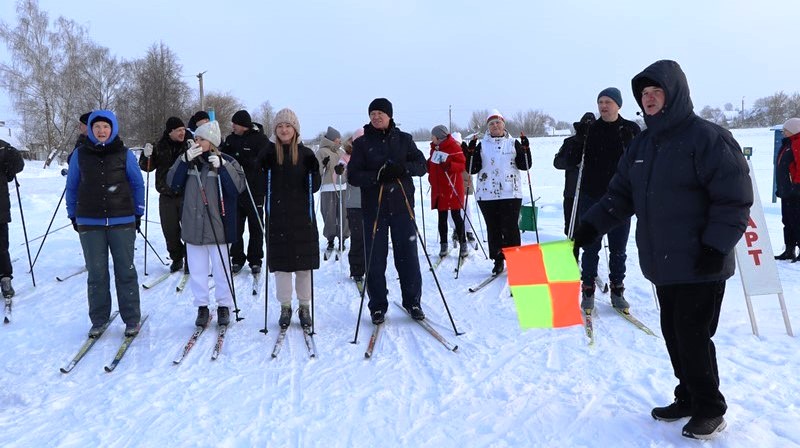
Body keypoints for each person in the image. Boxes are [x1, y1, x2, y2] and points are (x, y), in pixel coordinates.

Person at [572, 60, 753, 440]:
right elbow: (620, 196)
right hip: (664, 261)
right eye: (644, 94)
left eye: (657, 92)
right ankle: (687, 396)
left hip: (702, 260)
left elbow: (733, 199)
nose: (649, 99)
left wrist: (715, 246)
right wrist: (590, 226)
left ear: (675, 94)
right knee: (673, 331)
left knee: (692, 333)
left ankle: (710, 408)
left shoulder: (708, 138)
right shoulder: (642, 144)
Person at [66, 110, 145, 337]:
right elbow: (71, 186)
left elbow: (137, 184)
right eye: (97, 127)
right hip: (89, 222)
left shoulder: (124, 153)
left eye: (106, 127)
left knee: (126, 271)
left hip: (122, 220)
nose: (102, 131)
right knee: (96, 274)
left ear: (113, 129)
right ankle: (99, 319)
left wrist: (138, 212)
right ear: (91, 129)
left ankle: (131, 318)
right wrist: (73, 215)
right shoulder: (80, 154)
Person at [348, 98, 427, 324]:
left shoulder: (404, 139)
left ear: (389, 115)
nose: (376, 117)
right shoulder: (362, 144)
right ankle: (377, 306)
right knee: (375, 259)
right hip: (374, 210)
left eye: (380, 113)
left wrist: (403, 168)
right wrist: (377, 176)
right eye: (372, 114)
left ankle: (413, 302)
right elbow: (353, 176)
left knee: (408, 256)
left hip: (402, 208)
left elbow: (422, 166)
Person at [167, 120, 245, 327]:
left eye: (201, 139)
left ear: (212, 142)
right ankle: (202, 306)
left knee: (222, 270)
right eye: (196, 138)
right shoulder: (188, 160)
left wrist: (223, 168)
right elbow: (172, 183)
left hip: (219, 228)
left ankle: (224, 306)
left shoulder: (228, 161)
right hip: (193, 227)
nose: (196, 142)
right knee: (197, 271)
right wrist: (183, 161)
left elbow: (237, 188)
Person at [575, 88, 640, 312]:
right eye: (600, 102)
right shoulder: (591, 129)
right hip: (592, 196)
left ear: (618, 105)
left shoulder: (629, 128)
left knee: (618, 248)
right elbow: (569, 160)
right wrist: (578, 138)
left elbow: (640, 161)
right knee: (590, 247)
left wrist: (630, 143)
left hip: (620, 198)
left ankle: (617, 290)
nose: (603, 106)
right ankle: (588, 290)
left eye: (608, 102)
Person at [259, 108, 321, 329]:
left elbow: (314, 186)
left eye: (288, 126)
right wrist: (261, 166)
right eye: (280, 126)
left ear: (295, 129)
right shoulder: (268, 153)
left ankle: (304, 306)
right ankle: (285, 306)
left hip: (302, 218)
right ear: (275, 130)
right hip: (277, 218)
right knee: (282, 267)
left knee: (304, 266)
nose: (284, 130)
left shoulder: (306, 154)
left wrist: (315, 172)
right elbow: (258, 184)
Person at [463, 109, 532, 275]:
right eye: (491, 124)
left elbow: (525, 165)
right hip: (487, 193)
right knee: (493, 227)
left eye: (498, 123)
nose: (495, 126)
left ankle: (515, 260)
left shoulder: (513, 143)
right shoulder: (482, 145)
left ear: (503, 124)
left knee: (511, 227)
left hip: (511, 192)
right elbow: (472, 169)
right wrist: (470, 153)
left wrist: (526, 149)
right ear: (488, 128)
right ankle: (498, 259)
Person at [219, 109, 269, 274]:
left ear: (243, 125)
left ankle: (255, 259)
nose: (232, 126)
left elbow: (264, 160)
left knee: (256, 226)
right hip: (235, 191)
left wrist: (247, 161)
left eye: (235, 123)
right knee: (235, 227)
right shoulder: (230, 139)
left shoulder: (260, 139)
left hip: (254, 190)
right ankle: (237, 258)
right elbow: (224, 157)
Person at [139, 116, 190, 273]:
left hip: (186, 193)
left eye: (183, 129)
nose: (182, 132)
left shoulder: (189, 145)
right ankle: (176, 258)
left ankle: (191, 258)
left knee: (189, 229)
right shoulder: (159, 146)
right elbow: (147, 167)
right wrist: (146, 156)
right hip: (166, 194)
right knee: (170, 230)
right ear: (170, 131)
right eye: (179, 130)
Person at [553, 112, 595, 260]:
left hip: (592, 192)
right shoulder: (570, 142)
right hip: (572, 192)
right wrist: (573, 162)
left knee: (591, 228)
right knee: (571, 228)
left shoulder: (599, 142)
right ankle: (573, 258)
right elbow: (557, 162)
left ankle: (590, 263)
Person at [428, 125, 467, 258]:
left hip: (452, 187)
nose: (431, 138)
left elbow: (462, 164)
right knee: (442, 217)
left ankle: (463, 244)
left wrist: (450, 165)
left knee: (456, 216)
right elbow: (432, 165)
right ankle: (443, 245)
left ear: (439, 137)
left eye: (433, 136)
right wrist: (426, 166)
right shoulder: (434, 149)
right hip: (439, 188)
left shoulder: (454, 147)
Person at [316, 126, 349, 254]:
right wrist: (323, 164)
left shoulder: (341, 152)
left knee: (343, 214)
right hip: (328, 188)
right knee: (329, 214)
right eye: (337, 139)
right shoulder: (321, 152)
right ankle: (330, 239)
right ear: (331, 139)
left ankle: (342, 238)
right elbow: (317, 171)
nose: (339, 141)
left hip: (342, 186)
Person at [0, 139, 25, 299]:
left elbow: (17, 167)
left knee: (1, 245)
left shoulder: (3, 148)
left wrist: (9, 152)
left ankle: (5, 278)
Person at [774, 117, 800, 261]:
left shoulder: (797, 143)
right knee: (788, 221)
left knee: (797, 221)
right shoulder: (788, 144)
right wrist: (782, 188)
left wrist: (796, 186)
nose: (783, 132)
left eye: (786, 130)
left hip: (795, 191)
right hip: (787, 191)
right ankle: (789, 249)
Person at [342, 128, 365, 283]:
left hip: (373, 203)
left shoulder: (373, 155)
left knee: (373, 238)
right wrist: (340, 171)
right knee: (358, 237)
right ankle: (357, 269)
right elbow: (339, 177)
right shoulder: (347, 157)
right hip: (355, 203)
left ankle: (372, 267)